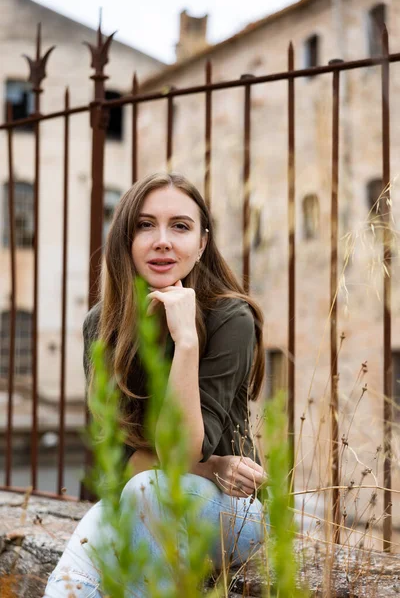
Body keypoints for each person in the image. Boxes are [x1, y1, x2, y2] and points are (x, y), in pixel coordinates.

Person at [43, 172, 268, 598]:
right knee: (85, 558)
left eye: (180, 226)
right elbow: (117, 461)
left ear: (202, 243)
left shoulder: (229, 319)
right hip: (148, 494)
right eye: (145, 225)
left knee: (150, 490)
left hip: (232, 512)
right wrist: (209, 465)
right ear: (126, 240)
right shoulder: (101, 325)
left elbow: (178, 451)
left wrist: (186, 341)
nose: (162, 240)